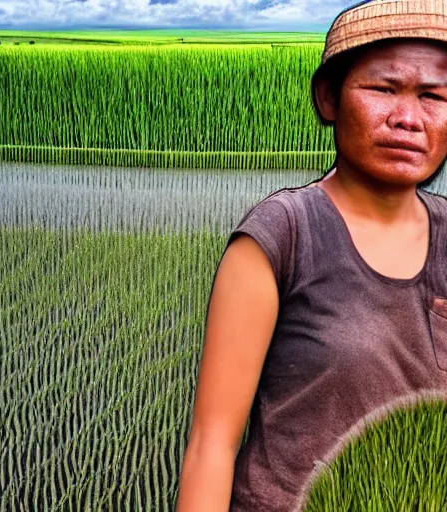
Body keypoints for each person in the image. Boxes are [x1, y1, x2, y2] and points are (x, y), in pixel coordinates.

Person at [175, 0, 447, 511]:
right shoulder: (282, 235)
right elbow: (212, 444)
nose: (408, 118)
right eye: (383, 88)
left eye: (435, 96)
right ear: (329, 98)